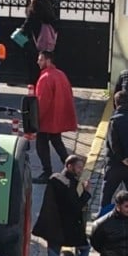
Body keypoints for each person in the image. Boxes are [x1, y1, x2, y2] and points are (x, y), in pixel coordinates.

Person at [30, 52, 75, 182]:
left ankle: (47, 172)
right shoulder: (60, 74)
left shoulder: (45, 77)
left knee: (41, 145)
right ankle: (71, 168)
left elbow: (42, 101)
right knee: (57, 143)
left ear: (48, 61)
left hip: (47, 119)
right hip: (57, 117)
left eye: (41, 60)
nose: (38, 62)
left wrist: (35, 119)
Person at [35, 155, 90, 256]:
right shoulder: (69, 184)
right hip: (63, 229)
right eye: (79, 167)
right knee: (84, 248)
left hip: (52, 227)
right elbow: (76, 206)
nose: (81, 171)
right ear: (70, 166)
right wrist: (86, 193)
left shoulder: (55, 177)